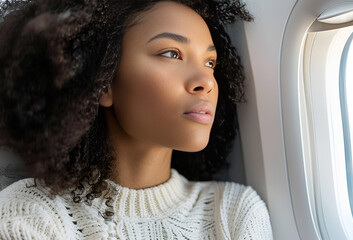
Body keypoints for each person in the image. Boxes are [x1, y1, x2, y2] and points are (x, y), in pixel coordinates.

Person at [0, 0, 273, 239]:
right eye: (171, 54)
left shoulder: (233, 212)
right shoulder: (32, 214)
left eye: (210, 63)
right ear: (103, 81)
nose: (205, 82)